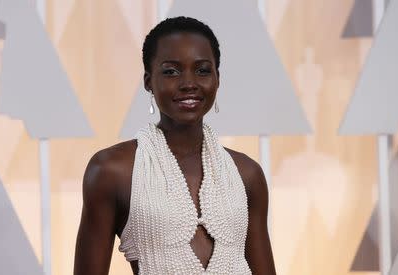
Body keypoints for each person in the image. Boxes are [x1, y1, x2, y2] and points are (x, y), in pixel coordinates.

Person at [74, 16, 276, 275]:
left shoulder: (247, 174)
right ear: (148, 81)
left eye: (202, 70)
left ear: (217, 78)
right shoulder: (112, 170)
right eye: (171, 71)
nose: (188, 83)